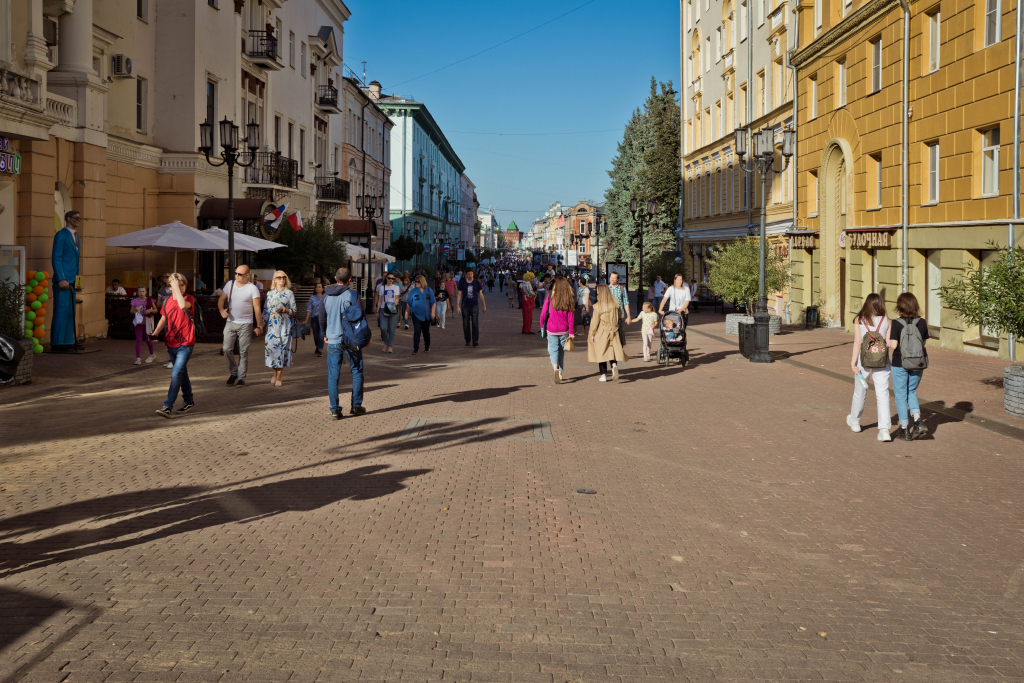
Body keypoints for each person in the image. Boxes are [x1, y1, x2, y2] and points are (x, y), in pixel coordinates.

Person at [320, 268, 365, 420]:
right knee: (357, 371)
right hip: (351, 339)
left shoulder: (325, 295)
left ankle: (335, 410)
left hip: (333, 339)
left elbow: (321, 318)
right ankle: (356, 405)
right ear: (350, 279)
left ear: (335, 278)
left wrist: (325, 334)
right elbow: (360, 316)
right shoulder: (353, 294)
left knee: (333, 375)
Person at [847, 293, 893, 442]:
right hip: (882, 362)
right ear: (881, 305)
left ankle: (855, 421)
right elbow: (888, 343)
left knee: (860, 391)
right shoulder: (887, 321)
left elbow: (858, 343)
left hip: (863, 361)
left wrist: (853, 362)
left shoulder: (859, 320)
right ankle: (884, 430)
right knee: (883, 394)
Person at [150, 273, 196, 417]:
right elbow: (164, 319)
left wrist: (177, 288)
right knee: (182, 374)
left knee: (176, 374)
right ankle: (189, 401)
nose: (181, 288)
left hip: (186, 343)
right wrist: (155, 332)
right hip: (172, 343)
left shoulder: (189, 299)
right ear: (169, 287)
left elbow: (182, 305)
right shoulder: (167, 301)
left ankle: (167, 406)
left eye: (182, 285)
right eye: (177, 285)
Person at [889, 292, 930, 441]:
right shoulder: (922, 322)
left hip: (900, 362)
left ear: (899, 306)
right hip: (918, 363)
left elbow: (893, 345)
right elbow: (923, 343)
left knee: (900, 395)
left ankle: (904, 429)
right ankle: (918, 420)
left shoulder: (896, 323)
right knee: (911, 390)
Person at [217, 263, 263, 388]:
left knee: (243, 351)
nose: (237, 276)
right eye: (236, 273)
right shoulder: (230, 284)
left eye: (240, 274)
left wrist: (259, 326)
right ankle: (234, 373)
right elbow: (221, 299)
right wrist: (222, 311)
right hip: (230, 322)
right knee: (226, 349)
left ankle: (241, 377)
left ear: (247, 275)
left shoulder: (252, 288)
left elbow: (257, 308)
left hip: (246, 324)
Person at [50, 210, 81, 352]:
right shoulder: (61, 235)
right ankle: (57, 343)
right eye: (76, 218)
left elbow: (76, 259)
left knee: (70, 312)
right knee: (62, 311)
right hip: (62, 280)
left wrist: (77, 278)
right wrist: (61, 278)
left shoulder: (77, 236)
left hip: (73, 278)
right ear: (68, 218)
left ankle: (68, 341)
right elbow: (57, 257)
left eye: (80, 219)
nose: (78, 221)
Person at [587, 284, 629, 382]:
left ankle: (603, 375)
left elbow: (595, 321)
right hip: (614, 330)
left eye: (598, 291)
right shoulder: (615, 304)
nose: (597, 292)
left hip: (602, 330)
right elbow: (620, 316)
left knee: (601, 352)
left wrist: (592, 333)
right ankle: (614, 366)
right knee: (612, 350)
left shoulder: (598, 306)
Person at [540, 276, 575, 384]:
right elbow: (571, 317)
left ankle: (555, 369)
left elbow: (543, 313)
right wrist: (571, 332)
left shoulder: (550, 296)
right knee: (561, 351)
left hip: (552, 328)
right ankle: (560, 373)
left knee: (553, 350)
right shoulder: (568, 298)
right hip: (564, 329)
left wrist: (542, 326)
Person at [264, 270, 296, 387]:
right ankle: (274, 372)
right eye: (279, 277)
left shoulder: (289, 293)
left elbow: (294, 311)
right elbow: (266, 311)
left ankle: (279, 376)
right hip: (272, 326)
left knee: (282, 350)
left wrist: (284, 310)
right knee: (272, 350)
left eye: (284, 277)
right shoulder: (269, 294)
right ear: (274, 280)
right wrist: (260, 326)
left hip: (284, 325)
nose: (282, 279)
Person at [406, 275, 436, 355]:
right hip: (416, 314)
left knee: (426, 331)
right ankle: (416, 348)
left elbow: (433, 302)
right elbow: (409, 303)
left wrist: (433, 313)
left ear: (422, 281)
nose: (416, 283)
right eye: (415, 281)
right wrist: (406, 313)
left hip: (427, 315)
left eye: (418, 281)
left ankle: (427, 346)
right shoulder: (413, 291)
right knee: (417, 331)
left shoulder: (429, 290)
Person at [456, 268, 486, 346]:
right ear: (465, 275)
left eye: (471, 274)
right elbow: (459, 294)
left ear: (473, 274)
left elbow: (480, 294)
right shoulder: (462, 283)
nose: (470, 276)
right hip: (465, 306)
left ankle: (475, 340)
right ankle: (468, 339)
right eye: (468, 274)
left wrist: (484, 305)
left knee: (475, 323)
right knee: (465, 324)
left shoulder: (476, 282)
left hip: (474, 305)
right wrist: (458, 306)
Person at [130, 286, 158, 365]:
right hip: (139, 323)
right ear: (137, 292)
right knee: (138, 340)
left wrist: (150, 310)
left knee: (148, 339)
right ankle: (138, 358)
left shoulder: (149, 300)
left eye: (143, 291)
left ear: (146, 292)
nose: (141, 293)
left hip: (148, 323)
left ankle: (152, 354)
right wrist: (135, 310)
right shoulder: (134, 301)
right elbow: (131, 311)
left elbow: (156, 310)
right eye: (139, 291)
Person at [374, 273, 400, 353]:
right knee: (383, 328)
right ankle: (386, 342)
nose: (391, 280)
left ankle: (390, 346)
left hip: (393, 309)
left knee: (392, 329)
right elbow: (380, 299)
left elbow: (397, 298)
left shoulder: (396, 287)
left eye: (392, 278)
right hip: (383, 308)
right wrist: (377, 311)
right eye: (389, 278)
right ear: (386, 279)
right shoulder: (382, 287)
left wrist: (396, 301)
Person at [607, 271, 632, 346]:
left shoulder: (622, 289)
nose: (612, 279)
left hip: (619, 315)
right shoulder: (606, 289)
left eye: (614, 278)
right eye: (611, 277)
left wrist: (629, 316)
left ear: (617, 279)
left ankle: (619, 351)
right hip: (608, 315)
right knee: (609, 334)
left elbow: (626, 302)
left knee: (619, 334)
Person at [304, 282, 326, 357]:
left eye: (319, 287)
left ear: (322, 289)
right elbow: (309, 309)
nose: (318, 288)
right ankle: (317, 346)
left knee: (321, 334)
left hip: (323, 319)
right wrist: (306, 320)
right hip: (314, 319)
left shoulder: (325, 297)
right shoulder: (312, 298)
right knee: (316, 335)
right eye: (316, 287)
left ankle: (320, 349)